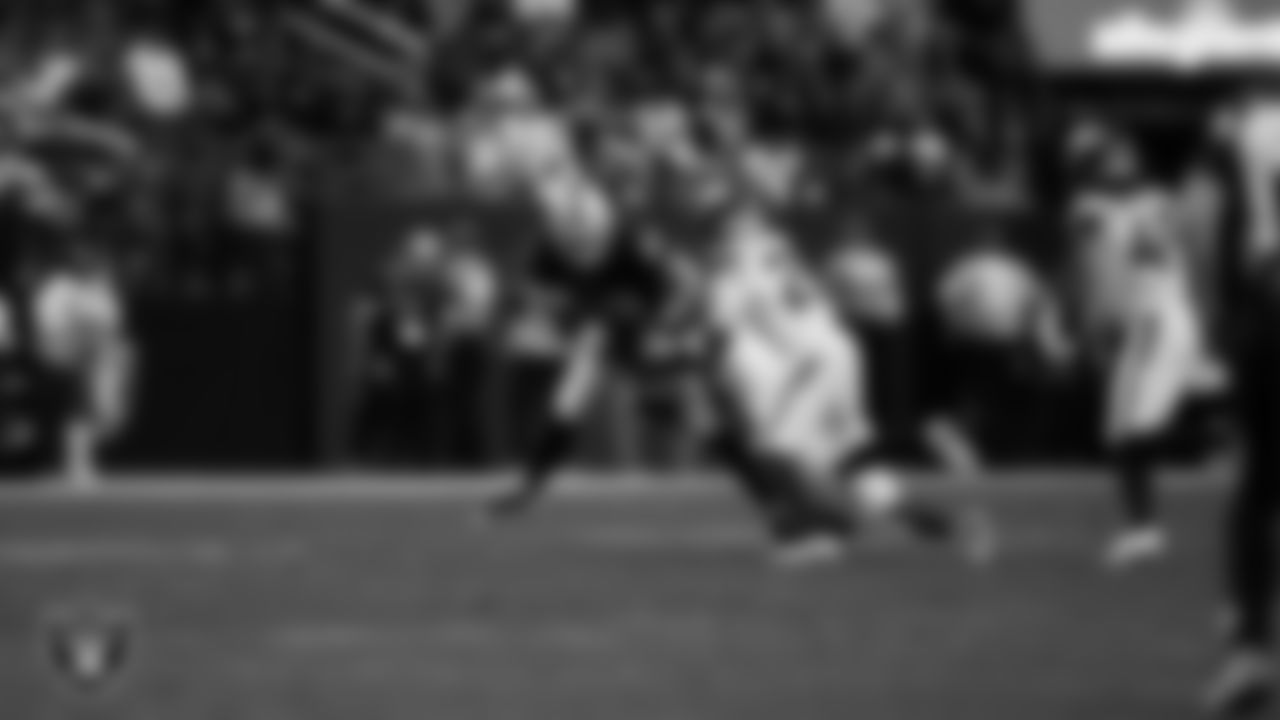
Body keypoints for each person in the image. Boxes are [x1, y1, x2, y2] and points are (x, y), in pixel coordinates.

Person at [1071, 137, 1215, 570]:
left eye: (1124, 157)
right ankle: (1142, 529)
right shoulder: (1101, 208)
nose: (1117, 167)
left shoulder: (1144, 205)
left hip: (1159, 321)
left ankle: (1224, 448)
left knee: (1136, 428)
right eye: (1108, 159)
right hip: (1140, 324)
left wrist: (1097, 323)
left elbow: (1111, 258)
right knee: (1119, 433)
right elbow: (1098, 267)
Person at [1204, 94, 1280, 717]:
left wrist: (1230, 322)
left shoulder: (1254, 126)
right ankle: (1249, 649)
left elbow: (1234, 239)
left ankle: (1251, 647)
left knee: (1258, 489)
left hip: (1270, 310)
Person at [32, 243, 133, 489]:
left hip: (96, 359)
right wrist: (75, 343)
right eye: (82, 260)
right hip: (61, 356)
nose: (88, 265)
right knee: (79, 408)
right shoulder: (58, 288)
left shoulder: (101, 288)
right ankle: (76, 468)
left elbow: (110, 327)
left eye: (92, 260)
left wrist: (95, 342)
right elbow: (50, 329)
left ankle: (78, 464)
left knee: (105, 416)